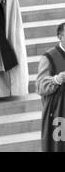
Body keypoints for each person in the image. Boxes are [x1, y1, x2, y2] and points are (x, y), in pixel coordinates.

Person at [36, 22, 65, 152]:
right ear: (60, 36)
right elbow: (40, 86)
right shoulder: (48, 57)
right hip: (59, 112)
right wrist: (56, 79)